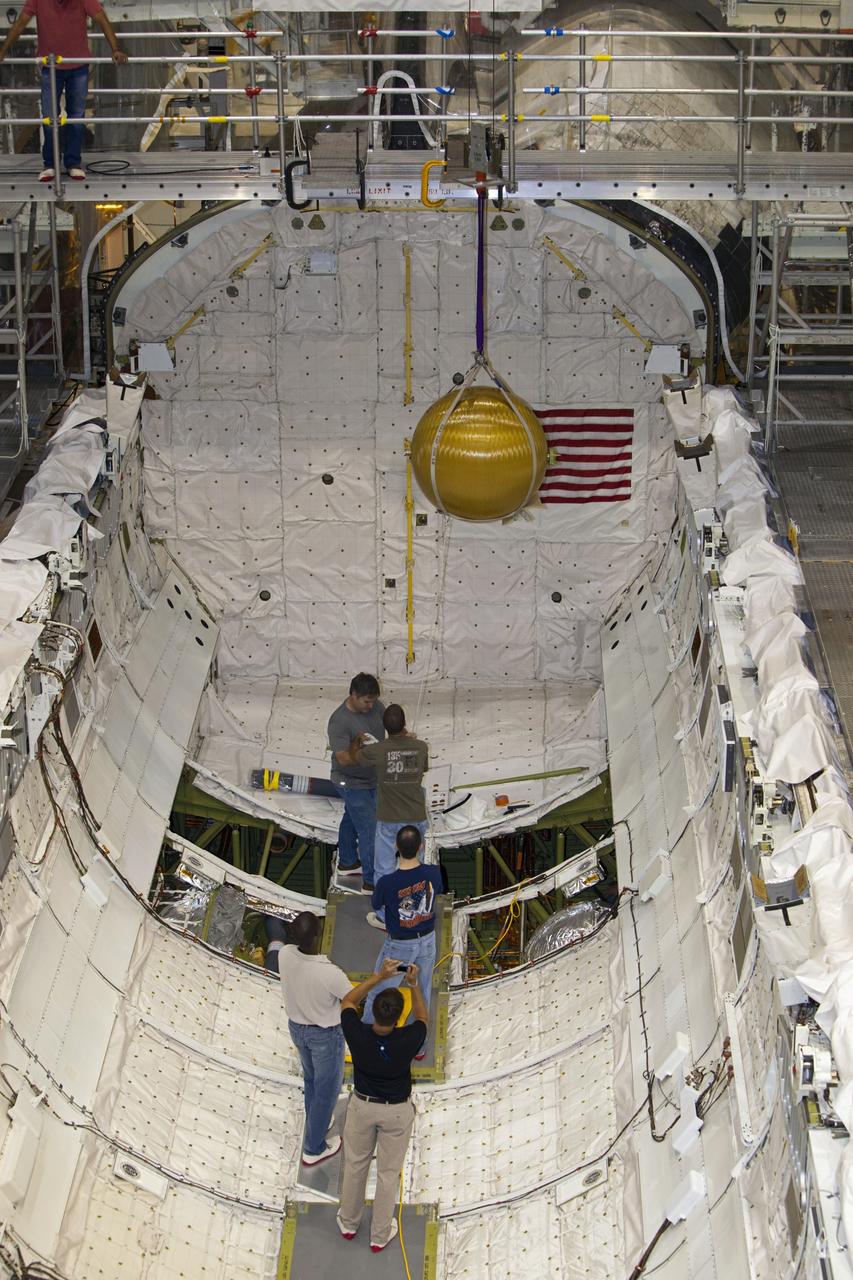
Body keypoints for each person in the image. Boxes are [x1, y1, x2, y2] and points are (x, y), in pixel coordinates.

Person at [337, 961, 428, 1252]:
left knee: (355, 1165)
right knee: (388, 1174)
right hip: (397, 1112)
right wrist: (413, 984)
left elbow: (348, 1000)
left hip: (362, 1106)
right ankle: (379, 1235)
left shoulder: (356, 1032)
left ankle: (349, 1223)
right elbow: (423, 1016)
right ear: (400, 1017)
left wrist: (379, 977)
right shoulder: (410, 1037)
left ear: (373, 1010)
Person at [0, 0, 128, 183]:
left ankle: (73, 163)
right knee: (50, 116)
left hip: (78, 67)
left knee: (76, 116)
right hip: (50, 67)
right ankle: (50, 164)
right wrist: (3, 51)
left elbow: (102, 20)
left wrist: (115, 49)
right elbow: (20, 22)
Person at [278, 910, 358, 1166]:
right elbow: (352, 998)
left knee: (312, 1080)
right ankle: (313, 1149)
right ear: (317, 935)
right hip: (324, 1036)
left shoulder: (284, 955)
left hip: (297, 1029)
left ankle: (318, 1120)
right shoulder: (329, 973)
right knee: (327, 1089)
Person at [350, 704, 429, 929]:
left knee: (384, 869)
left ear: (384, 727)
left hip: (388, 819)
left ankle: (386, 916)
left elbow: (356, 758)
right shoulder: (421, 747)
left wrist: (357, 743)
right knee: (415, 866)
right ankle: (413, 913)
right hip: (415, 817)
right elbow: (422, 769)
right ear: (404, 724)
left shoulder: (378, 750)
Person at [363, 825, 443, 1032]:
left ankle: (366, 1031)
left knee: (380, 989)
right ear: (421, 846)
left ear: (395, 847)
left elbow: (376, 904)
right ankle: (420, 1043)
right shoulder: (435, 873)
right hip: (427, 944)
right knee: (421, 991)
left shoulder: (387, 882)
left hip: (399, 951)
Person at [327, 673, 385, 890]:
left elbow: (387, 725)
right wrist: (356, 746)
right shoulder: (339, 721)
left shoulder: (376, 707)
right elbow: (343, 759)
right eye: (366, 701)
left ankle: (348, 862)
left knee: (352, 818)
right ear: (353, 695)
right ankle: (371, 882)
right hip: (350, 782)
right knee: (370, 829)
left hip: (372, 778)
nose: (371, 706)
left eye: (373, 700)